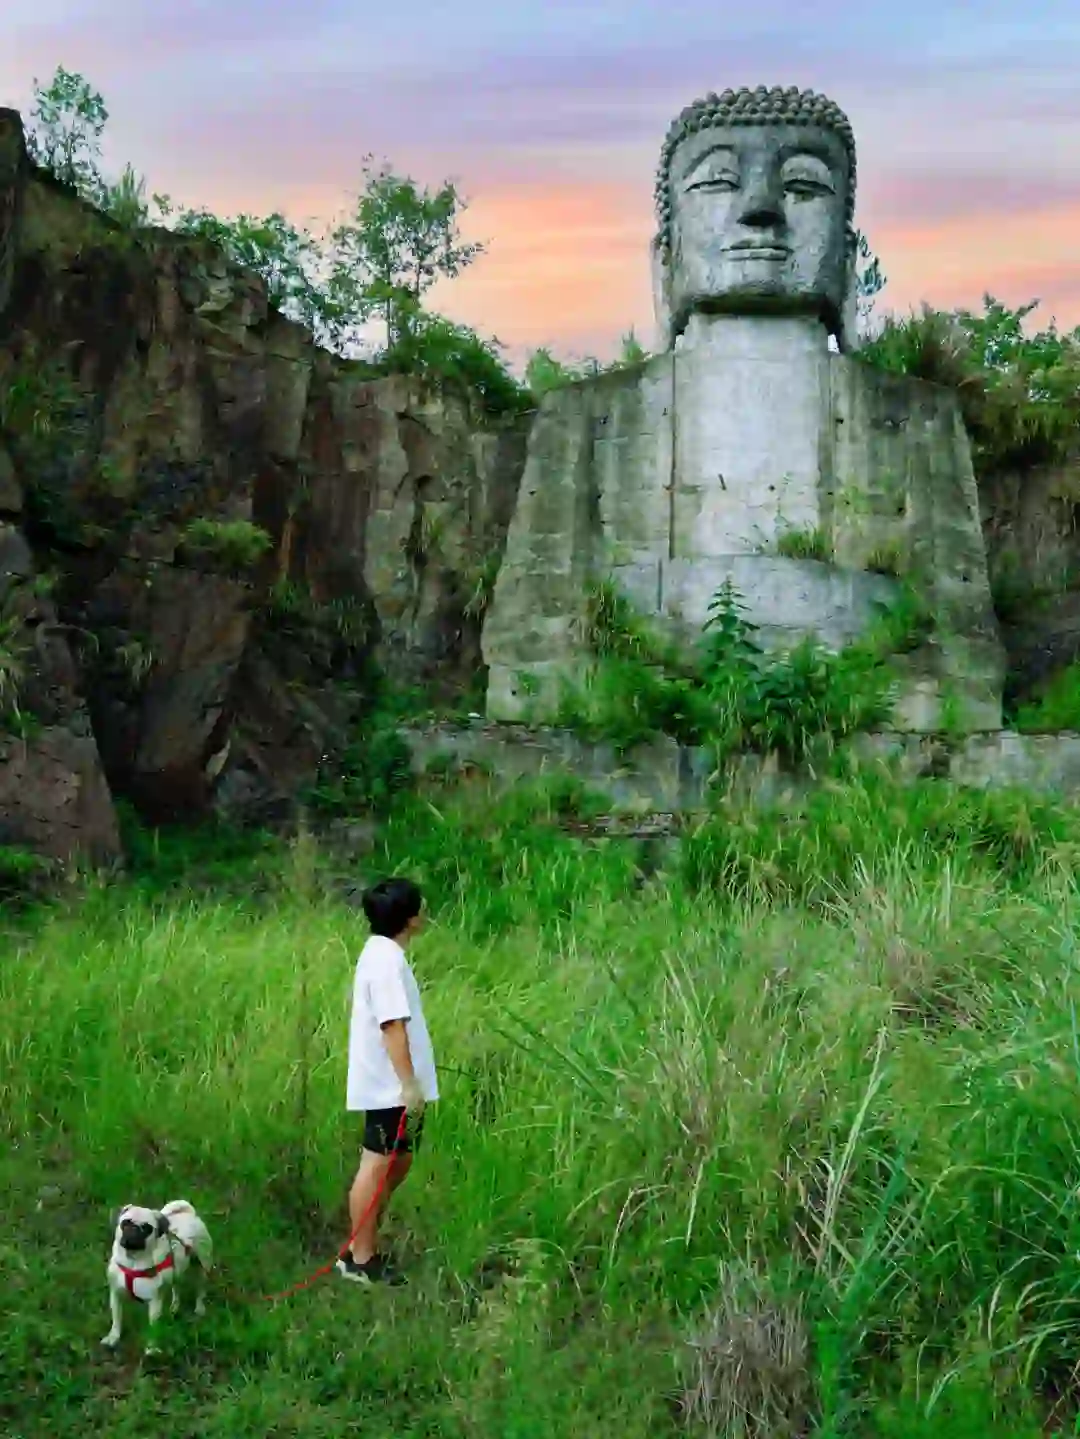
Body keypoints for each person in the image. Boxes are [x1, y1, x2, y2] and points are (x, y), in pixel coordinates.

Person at [338, 876, 438, 1286]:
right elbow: (392, 1026)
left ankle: (363, 1237)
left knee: (399, 1160)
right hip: (388, 1088)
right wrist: (408, 1085)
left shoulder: (384, 953)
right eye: (421, 906)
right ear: (411, 919)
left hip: (392, 1086)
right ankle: (360, 1260)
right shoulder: (386, 962)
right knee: (377, 1164)